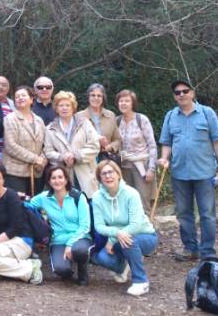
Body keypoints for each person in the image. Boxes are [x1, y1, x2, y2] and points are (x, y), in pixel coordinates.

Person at [157, 79, 218, 261]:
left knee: (207, 214)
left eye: (185, 91)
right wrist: (164, 158)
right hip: (179, 173)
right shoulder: (170, 116)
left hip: (205, 173)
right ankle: (190, 249)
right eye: (177, 92)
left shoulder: (207, 113)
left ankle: (208, 253)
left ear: (193, 93)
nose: (181, 94)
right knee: (183, 214)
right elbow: (166, 142)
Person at [91, 160, 158, 296]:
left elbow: (136, 225)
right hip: (118, 238)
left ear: (118, 174)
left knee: (128, 241)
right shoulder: (97, 198)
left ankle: (141, 281)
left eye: (111, 172)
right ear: (99, 178)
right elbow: (99, 226)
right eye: (103, 174)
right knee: (101, 257)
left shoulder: (131, 193)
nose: (108, 176)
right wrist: (116, 234)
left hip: (145, 236)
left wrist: (113, 239)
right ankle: (122, 268)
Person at [25, 165, 92, 285]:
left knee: (79, 251)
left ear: (66, 179)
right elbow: (27, 205)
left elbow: (85, 225)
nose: (57, 181)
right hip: (57, 240)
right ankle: (68, 272)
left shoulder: (78, 197)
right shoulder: (44, 197)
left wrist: (70, 244)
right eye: (53, 178)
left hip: (79, 237)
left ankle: (82, 271)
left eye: (60, 177)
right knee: (60, 269)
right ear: (49, 181)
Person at [43, 91, 100, 197]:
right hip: (62, 176)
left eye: (68, 105)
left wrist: (75, 155)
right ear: (56, 108)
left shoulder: (85, 123)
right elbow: (48, 151)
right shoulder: (50, 128)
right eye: (61, 105)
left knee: (89, 206)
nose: (64, 108)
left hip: (85, 172)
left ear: (73, 107)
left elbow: (95, 146)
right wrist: (62, 157)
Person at [116, 89, 157, 215]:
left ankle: (146, 232)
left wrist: (151, 169)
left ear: (133, 103)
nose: (123, 103)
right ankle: (129, 233)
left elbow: (152, 145)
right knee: (125, 201)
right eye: (121, 101)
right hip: (123, 166)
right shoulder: (117, 121)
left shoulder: (141, 119)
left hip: (142, 167)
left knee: (143, 202)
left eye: (127, 101)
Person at [2, 85, 47, 195]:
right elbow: (10, 146)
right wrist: (35, 158)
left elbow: (46, 144)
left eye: (23, 95)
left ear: (31, 99)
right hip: (15, 172)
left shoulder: (39, 120)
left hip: (36, 171)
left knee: (33, 208)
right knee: (18, 206)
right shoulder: (10, 119)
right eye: (17, 97)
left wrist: (42, 159)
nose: (20, 98)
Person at [76, 83, 121, 162]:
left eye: (99, 96)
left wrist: (109, 147)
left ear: (103, 98)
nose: (96, 98)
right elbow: (76, 142)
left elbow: (118, 140)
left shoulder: (110, 115)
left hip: (106, 159)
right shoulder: (79, 117)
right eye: (93, 95)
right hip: (86, 160)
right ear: (88, 97)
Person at [0, 75, 15, 159]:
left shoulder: (14, 106)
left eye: (4, 85)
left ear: (8, 89)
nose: (0, 87)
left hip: (8, 153)